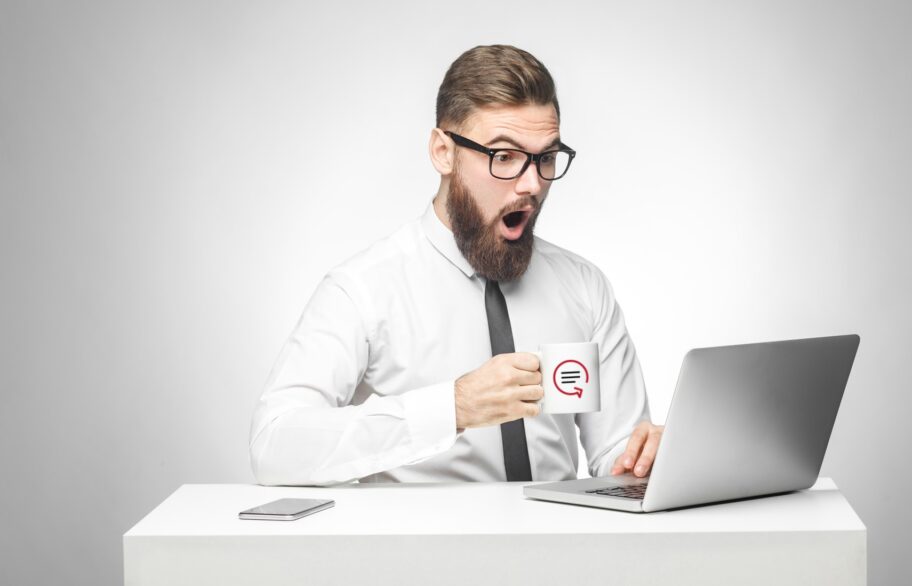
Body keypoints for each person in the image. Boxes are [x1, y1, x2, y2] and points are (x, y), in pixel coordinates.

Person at [250, 44, 664, 485]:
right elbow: (274, 446)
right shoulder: (364, 289)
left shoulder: (583, 287)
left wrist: (645, 460)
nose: (532, 185)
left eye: (545, 157)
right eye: (503, 156)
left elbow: (620, 458)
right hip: (416, 552)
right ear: (442, 152)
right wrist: (452, 408)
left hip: (560, 547)